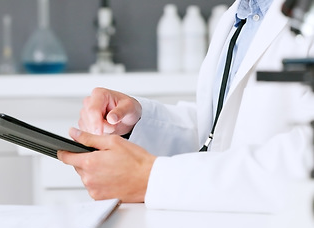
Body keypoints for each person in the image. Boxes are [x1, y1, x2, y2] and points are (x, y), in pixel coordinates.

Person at [58, 0, 314, 212]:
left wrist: (152, 178)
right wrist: (136, 123)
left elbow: (305, 160)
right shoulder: (245, 14)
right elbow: (220, 132)